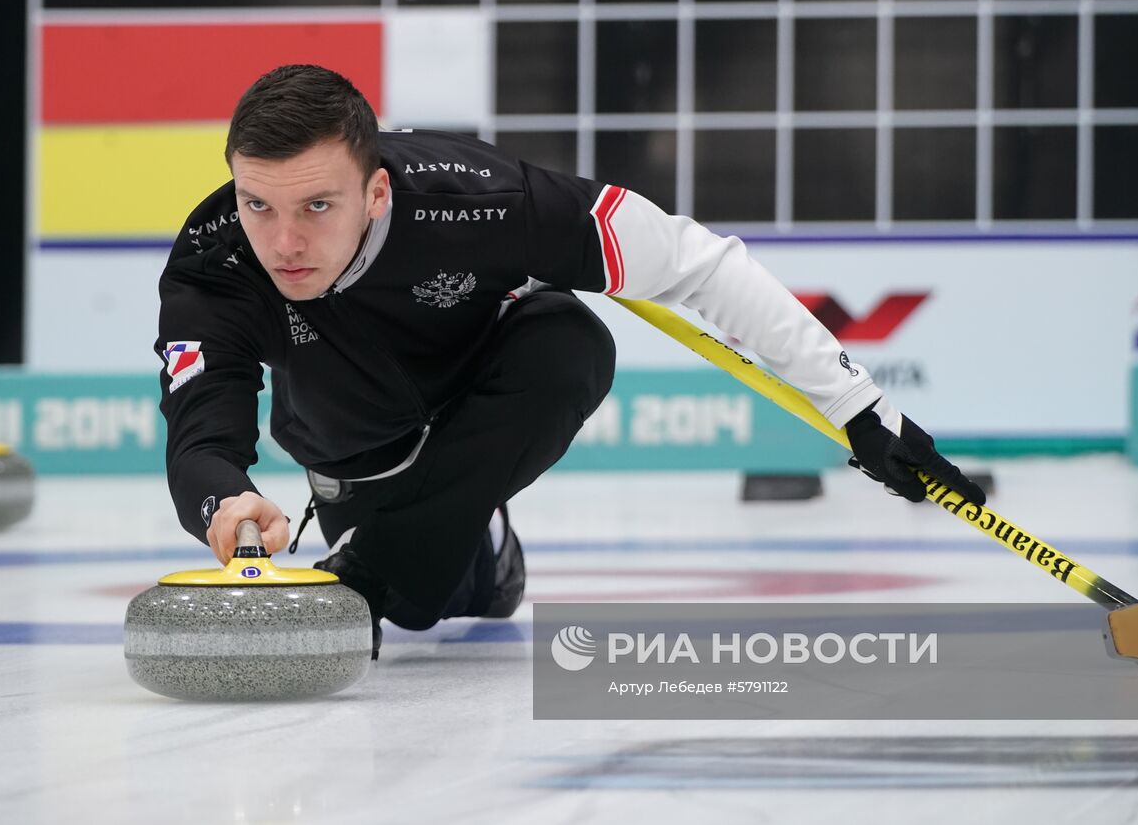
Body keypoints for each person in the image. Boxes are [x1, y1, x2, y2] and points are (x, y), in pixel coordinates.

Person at [155, 64, 986, 659]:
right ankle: (470, 544)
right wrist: (224, 499)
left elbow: (698, 263)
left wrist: (861, 411)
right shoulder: (213, 263)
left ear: (377, 193)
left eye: (317, 206)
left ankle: (382, 564)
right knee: (445, 600)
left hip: (479, 390)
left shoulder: (480, 199)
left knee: (571, 340)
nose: (284, 241)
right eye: (257, 203)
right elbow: (201, 432)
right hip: (355, 456)